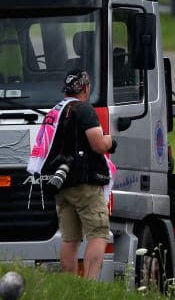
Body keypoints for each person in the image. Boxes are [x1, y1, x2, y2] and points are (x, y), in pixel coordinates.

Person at [28, 69, 115, 280]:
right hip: (84, 183)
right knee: (98, 234)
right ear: (85, 88)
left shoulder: (55, 112)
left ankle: (71, 284)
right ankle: (91, 283)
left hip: (61, 184)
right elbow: (97, 144)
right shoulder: (84, 109)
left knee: (70, 239)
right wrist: (110, 141)